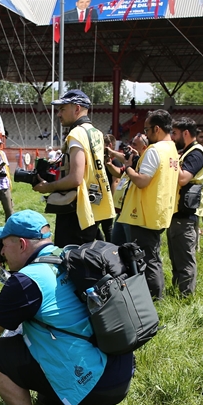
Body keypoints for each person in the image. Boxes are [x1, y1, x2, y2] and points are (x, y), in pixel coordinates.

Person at [0, 210, 141, 405]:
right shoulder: (69, 254)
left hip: (92, 377)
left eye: (3, 244)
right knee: (49, 399)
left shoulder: (27, 281)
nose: (1, 251)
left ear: (21, 244)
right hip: (120, 369)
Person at [34, 89, 114, 247]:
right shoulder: (96, 132)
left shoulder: (76, 134)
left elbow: (76, 178)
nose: (58, 114)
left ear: (77, 108)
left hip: (77, 208)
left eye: (63, 109)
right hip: (95, 203)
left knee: (70, 257)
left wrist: (47, 187)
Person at [117, 110, 179, 300]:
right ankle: (154, 297)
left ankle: (153, 299)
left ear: (157, 129)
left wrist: (128, 167)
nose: (145, 133)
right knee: (153, 256)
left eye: (146, 129)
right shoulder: (171, 149)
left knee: (147, 260)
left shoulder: (155, 150)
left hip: (144, 213)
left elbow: (142, 181)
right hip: (158, 211)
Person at [166, 118, 203, 297]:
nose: (173, 137)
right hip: (177, 214)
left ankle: (186, 296)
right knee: (176, 257)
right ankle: (178, 290)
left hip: (186, 216)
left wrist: (171, 160)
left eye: (174, 133)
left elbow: (183, 178)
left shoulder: (196, 153)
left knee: (185, 258)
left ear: (185, 133)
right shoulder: (187, 152)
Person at [106, 133, 149, 245]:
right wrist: (109, 164)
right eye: (131, 143)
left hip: (133, 213)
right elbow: (119, 172)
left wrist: (112, 152)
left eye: (134, 144)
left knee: (131, 247)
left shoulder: (143, 162)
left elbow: (135, 160)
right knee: (116, 245)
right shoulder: (130, 163)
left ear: (144, 147)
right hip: (123, 211)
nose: (131, 147)